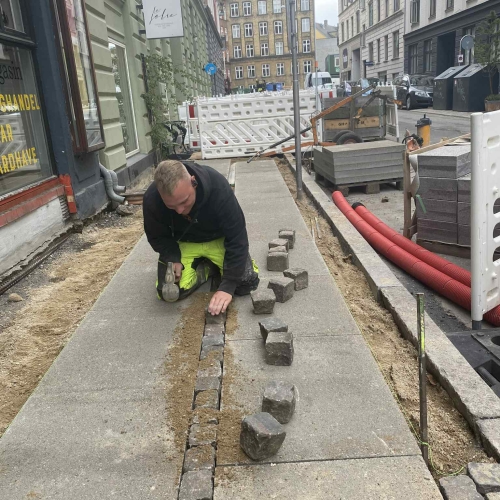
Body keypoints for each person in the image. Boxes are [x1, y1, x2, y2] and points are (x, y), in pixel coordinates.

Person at [143, 159, 259, 315]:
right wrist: (172, 257)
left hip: (218, 240)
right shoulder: (152, 199)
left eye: (184, 201)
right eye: (171, 206)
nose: (179, 211)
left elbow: (237, 237)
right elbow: (157, 236)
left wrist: (227, 287)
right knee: (169, 293)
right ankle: (206, 269)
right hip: (184, 244)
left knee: (245, 282)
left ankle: (218, 267)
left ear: (193, 182)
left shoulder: (218, 187)